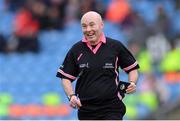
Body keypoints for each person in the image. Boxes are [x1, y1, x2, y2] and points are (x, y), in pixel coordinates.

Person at [56, 11, 140, 120]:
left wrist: (132, 82)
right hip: (86, 110)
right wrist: (71, 96)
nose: (88, 30)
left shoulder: (115, 46)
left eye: (92, 25)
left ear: (101, 25)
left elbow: (132, 68)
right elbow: (65, 78)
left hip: (112, 108)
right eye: (84, 26)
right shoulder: (76, 50)